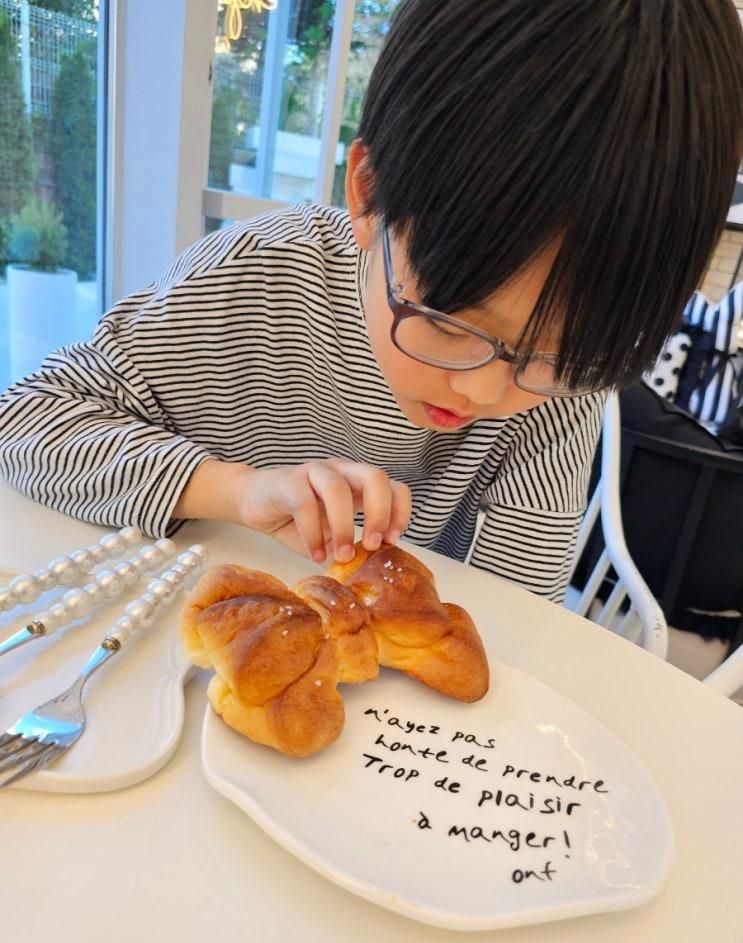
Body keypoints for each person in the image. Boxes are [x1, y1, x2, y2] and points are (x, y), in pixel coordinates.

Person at [1, 0, 742, 603]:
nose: (487, 388)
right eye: (451, 322)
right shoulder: (263, 274)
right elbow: (28, 424)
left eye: (552, 352)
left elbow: (513, 613)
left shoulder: (560, 389)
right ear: (366, 191)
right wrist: (237, 489)